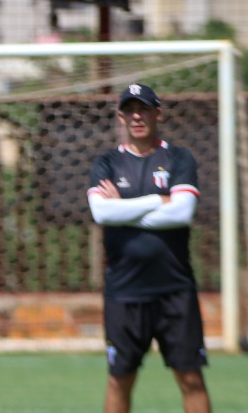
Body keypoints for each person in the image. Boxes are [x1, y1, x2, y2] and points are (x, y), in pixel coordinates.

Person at [87, 83, 211, 413]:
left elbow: (182, 212)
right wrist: (159, 200)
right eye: (130, 110)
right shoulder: (107, 163)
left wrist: (124, 210)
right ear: (121, 117)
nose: (137, 116)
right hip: (124, 293)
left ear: (158, 113)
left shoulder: (179, 158)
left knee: (191, 378)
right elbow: (101, 212)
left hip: (175, 290)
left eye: (143, 109)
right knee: (120, 378)